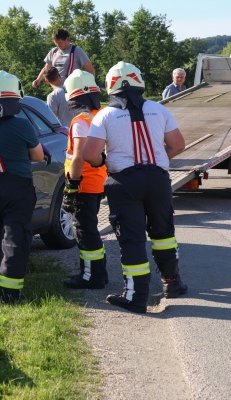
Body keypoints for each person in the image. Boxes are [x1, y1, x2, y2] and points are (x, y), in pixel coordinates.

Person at [82, 61, 188, 313]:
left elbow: (89, 154)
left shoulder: (106, 115)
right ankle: (172, 283)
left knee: (132, 238)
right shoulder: (158, 109)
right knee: (163, 233)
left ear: (110, 87)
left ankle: (136, 296)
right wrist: (157, 161)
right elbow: (178, 144)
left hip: (124, 182)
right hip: (158, 178)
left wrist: (104, 161)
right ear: (139, 83)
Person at [0, 71, 52, 303]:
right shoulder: (22, 125)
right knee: (15, 239)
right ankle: (8, 293)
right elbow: (36, 156)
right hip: (17, 187)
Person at [61, 69, 108, 289]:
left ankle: (91, 277)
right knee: (90, 229)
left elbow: (78, 155)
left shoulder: (81, 121)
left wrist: (71, 185)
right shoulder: (103, 114)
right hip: (99, 181)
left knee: (85, 231)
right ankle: (97, 273)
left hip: (84, 184)